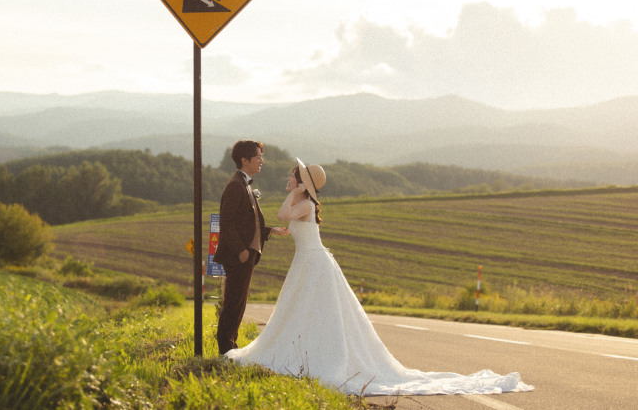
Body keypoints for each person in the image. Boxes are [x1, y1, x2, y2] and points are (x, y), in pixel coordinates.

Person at [226, 158, 534, 396]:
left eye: (293, 176)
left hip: (314, 264)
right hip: (308, 262)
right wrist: (287, 221)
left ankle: (315, 358)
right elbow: (288, 223)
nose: (288, 179)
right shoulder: (303, 201)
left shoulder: (304, 201)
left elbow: (283, 214)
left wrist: (294, 194)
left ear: (302, 182)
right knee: (305, 313)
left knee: (313, 313)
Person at [214, 140, 288, 355]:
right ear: (244, 160)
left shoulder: (244, 183)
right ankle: (226, 351)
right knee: (233, 305)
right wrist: (241, 250)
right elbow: (226, 223)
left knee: (238, 305)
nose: (261, 161)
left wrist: (268, 230)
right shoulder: (236, 186)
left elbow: (247, 222)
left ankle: (230, 349)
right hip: (239, 256)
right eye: (257, 158)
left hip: (246, 255)